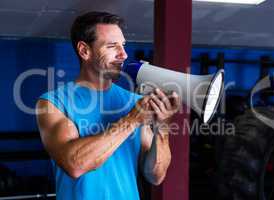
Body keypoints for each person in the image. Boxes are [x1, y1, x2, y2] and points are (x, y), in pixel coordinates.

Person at [35, 11, 180, 200]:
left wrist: (163, 128)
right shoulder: (52, 103)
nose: (124, 54)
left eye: (123, 46)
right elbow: (75, 164)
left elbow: (155, 176)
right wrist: (132, 120)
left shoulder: (133, 102)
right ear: (84, 51)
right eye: (112, 46)